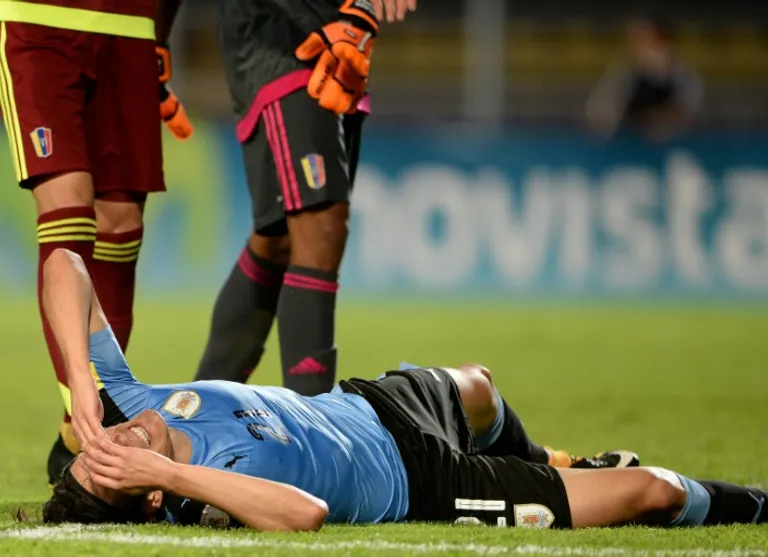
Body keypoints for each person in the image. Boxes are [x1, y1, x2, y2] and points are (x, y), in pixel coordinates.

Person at [40, 249, 767, 530]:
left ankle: (560, 460)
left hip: (372, 404)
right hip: (426, 481)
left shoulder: (135, 402)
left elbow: (66, 265)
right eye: (113, 464)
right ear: (150, 495)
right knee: (651, 492)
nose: (117, 438)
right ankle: (757, 504)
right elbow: (302, 515)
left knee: (480, 387)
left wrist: (79, 377)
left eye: (99, 444)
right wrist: (168, 473)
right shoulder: (208, 494)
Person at [0, 0, 192, 484]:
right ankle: (92, 425)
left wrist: (160, 38)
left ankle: (76, 430)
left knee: (121, 225)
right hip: (38, 20)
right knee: (68, 209)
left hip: (132, 25)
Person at [194, 0, 385, 396]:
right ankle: (314, 419)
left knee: (278, 238)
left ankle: (193, 410)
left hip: (340, 41)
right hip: (284, 38)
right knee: (321, 227)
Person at [585, 16, 702, 142]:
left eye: (644, 40)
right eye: (635, 40)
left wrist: (663, 121)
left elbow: (689, 106)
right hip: (630, 136)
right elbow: (601, 109)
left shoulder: (679, 72)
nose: (638, 46)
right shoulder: (625, 70)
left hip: (669, 136)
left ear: (659, 40)